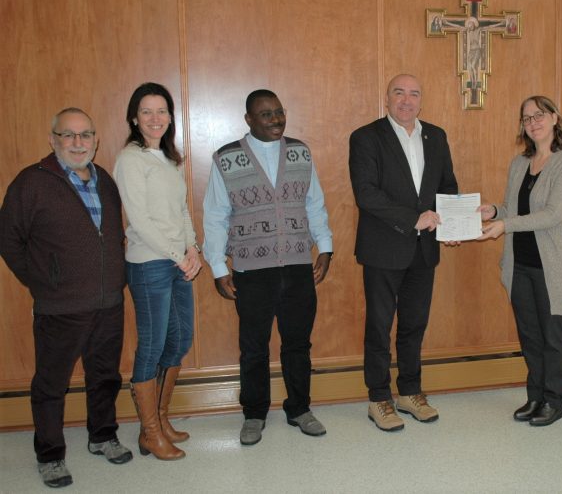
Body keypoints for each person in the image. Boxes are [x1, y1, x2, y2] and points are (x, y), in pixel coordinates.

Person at [0, 108, 132, 488]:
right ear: (53, 140)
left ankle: (102, 435)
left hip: (108, 303)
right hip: (60, 308)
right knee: (51, 384)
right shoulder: (32, 182)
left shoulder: (105, 180)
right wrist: (42, 281)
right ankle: (50, 455)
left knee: (105, 377)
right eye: (68, 135)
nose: (78, 143)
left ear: (96, 140)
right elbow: (8, 239)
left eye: (85, 134)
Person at [203, 89, 333, 445]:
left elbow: (314, 203)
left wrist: (325, 248)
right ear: (249, 119)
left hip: (297, 266)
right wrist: (218, 266)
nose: (276, 120)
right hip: (252, 271)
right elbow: (215, 215)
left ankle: (300, 409)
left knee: (297, 344)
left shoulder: (300, 152)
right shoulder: (226, 159)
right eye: (266, 114)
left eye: (279, 112)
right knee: (254, 348)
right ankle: (254, 413)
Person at [349, 74, 459, 432]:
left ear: (421, 101)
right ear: (387, 98)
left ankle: (410, 392)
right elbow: (366, 194)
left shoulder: (436, 136)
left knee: (414, 325)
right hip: (383, 249)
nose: (406, 100)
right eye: (399, 93)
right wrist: (414, 219)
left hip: (424, 250)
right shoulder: (366, 137)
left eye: (414, 94)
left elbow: (447, 187)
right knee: (379, 327)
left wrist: (450, 225)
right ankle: (379, 398)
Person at [477, 96, 562, 427]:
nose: (533, 122)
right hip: (520, 265)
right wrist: (494, 211)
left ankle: (555, 400)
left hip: (555, 267)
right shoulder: (519, 163)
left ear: (554, 118)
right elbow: (513, 209)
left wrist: (504, 224)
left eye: (539, 115)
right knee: (530, 337)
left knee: (553, 338)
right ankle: (535, 396)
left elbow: (553, 214)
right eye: (526, 118)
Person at [113, 83, 201, 460]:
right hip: (149, 263)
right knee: (151, 345)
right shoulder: (130, 159)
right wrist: (176, 254)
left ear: (170, 117)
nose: (155, 118)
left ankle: (160, 419)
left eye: (162, 111)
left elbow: (180, 211)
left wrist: (193, 248)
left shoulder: (169, 159)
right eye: (146, 111)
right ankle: (150, 432)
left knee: (179, 339)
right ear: (134, 118)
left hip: (177, 260)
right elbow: (139, 218)